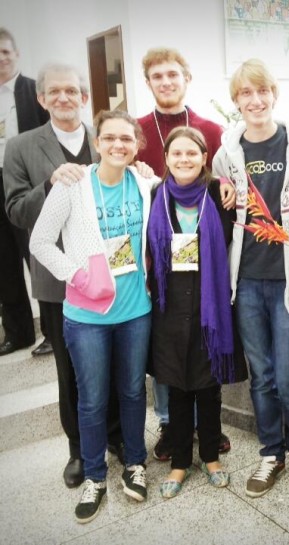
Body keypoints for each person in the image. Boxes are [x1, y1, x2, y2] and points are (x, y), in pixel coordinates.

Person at [29, 109, 158, 523]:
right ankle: (95, 475)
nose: (119, 145)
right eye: (110, 138)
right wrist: (76, 274)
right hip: (87, 316)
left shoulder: (144, 182)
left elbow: (187, 182)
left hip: (136, 311)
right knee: (91, 400)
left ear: (137, 144)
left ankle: (135, 463)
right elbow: (40, 241)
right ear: (97, 142)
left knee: (134, 391)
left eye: (127, 138)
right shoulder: (72, 185)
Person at [3, 63, 125, 489]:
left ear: (84, 97)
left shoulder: (106, 137)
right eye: (53, 92)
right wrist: (49, 186)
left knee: (113, 363)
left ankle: (115, 438)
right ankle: (78, 448)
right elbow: (15, 209)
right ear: (40, 99)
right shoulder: (20, 147)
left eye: (71, 91)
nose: (63, 98)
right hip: (60, 282)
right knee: (71, 369)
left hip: (113, 276)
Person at [212, 58, 289, 498]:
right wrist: (219, 186)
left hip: (288, 277)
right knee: (263, 376)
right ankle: (270, 452)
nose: (255, 101)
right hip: (248, 279)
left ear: (274, 94)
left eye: (262, 92)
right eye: (245, 94)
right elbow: (214, 185)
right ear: (236, 101)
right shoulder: (227, 148)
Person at [136, 47, 234, 459]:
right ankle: (168, 427)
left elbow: (228, 173)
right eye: (157, 76)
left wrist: (228, 183)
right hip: (162, 267)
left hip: (206, 266)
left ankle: (208, 430)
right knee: (168, 349)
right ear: (149, 82)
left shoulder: (211, 128)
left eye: (172, 74)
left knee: (199, 346)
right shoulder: (138, 130)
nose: (165, 82)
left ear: (186, 78)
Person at [148, 126, 248, 499]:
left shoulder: (218, 194)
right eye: (177, 154)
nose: (185, 159)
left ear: (204, 157)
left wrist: (224, 181)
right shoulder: (157, 195)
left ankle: (210, 457)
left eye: (192, 153)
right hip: (170, 306)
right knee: (175, 386)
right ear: (167, 159)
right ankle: (179, 462)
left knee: (208, 388)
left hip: (211, 306)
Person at [0, 27, 52, 357]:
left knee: (37, 256)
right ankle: (17, 332)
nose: (1, 59)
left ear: (17, 54)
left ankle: (50, 331)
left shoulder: (35, 91)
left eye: (6, 52)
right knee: (3, 260)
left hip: (27, 184)